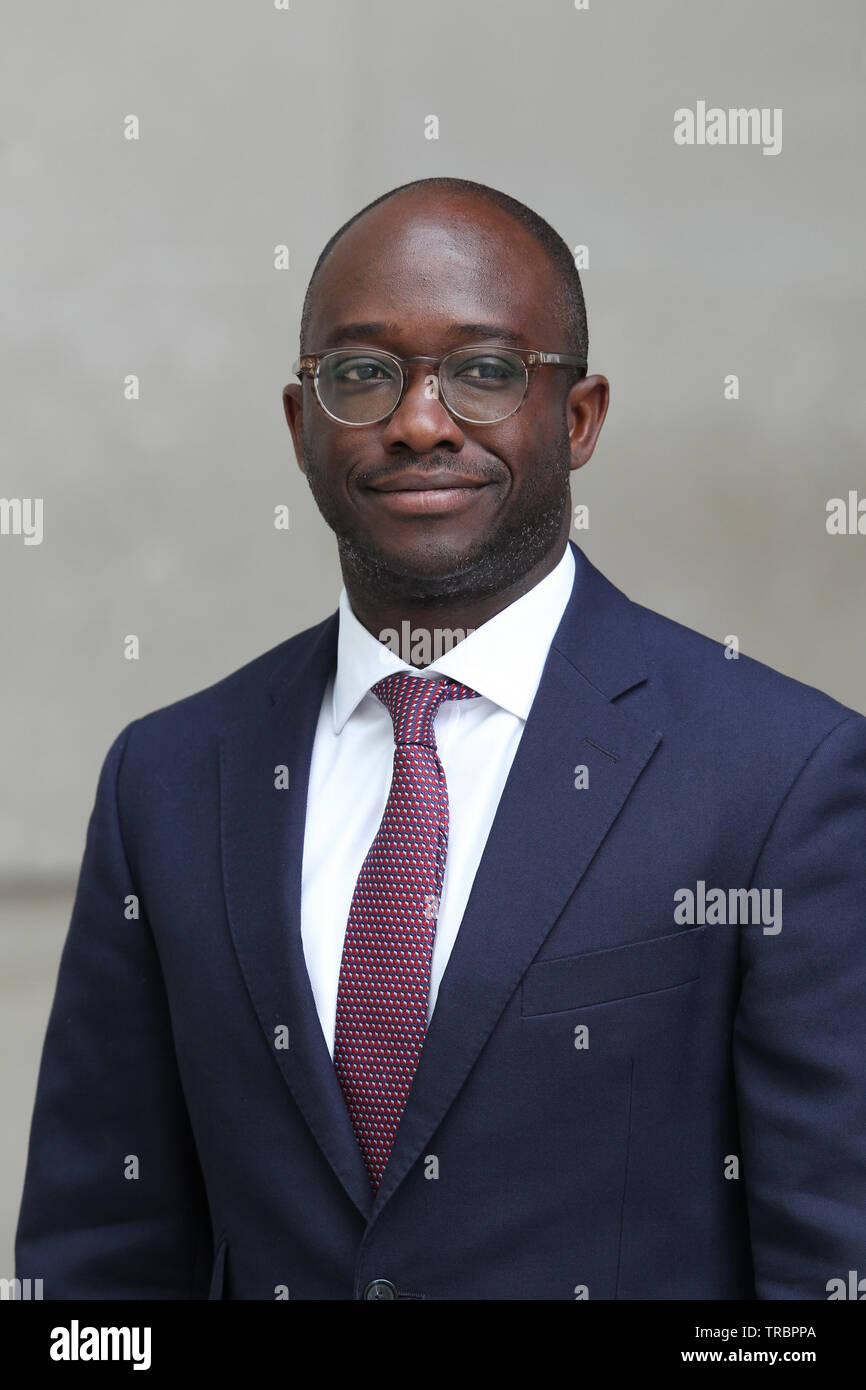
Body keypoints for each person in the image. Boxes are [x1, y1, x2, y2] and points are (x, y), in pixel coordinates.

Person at [16, 177, 866, 1300]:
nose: (420, 421)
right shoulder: (168, 779)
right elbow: (98, 1261)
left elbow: (830, 1265)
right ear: (298, 422)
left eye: (484, 370)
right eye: (363, 373)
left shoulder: (779, 777)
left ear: (576, 417)